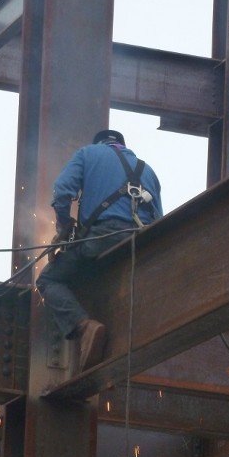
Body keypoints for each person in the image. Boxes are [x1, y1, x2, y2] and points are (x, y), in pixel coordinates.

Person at [36, 129, 163, 372]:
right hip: (141, 246)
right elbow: (160, 220)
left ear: (100, 143)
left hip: (103, 239)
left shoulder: (87, 154)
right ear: (123, 146)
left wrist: (63, 226)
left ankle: (86, 327)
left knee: (49, 279)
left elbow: (62, 192)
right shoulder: (148, 171)